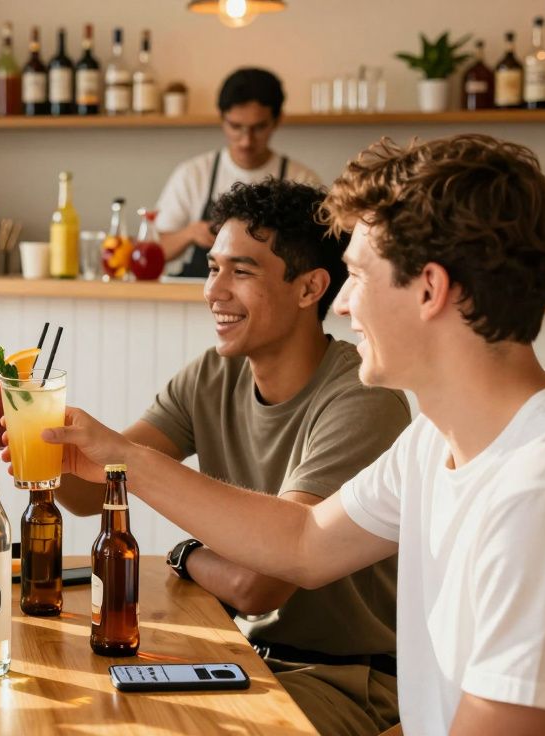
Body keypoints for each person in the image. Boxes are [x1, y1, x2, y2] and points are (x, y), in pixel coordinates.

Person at [42, 135, 545, 735]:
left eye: (357, 277)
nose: (346, 305)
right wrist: (118, 457)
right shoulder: (437, 439)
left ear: (430, 289)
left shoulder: (543, 491)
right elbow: (303, 543)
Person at [50, 179, 410, 735]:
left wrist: (185, 553)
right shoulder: (213, 375)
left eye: (240, 272)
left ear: (311, 287)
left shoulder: (361, 398)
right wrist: (38, 441)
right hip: (244, 653)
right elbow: (86, 492)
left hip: (345, 680)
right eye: (213, 267)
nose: (214, 290)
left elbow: (256, 583)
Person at [155, 67, 320, 278]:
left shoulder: (302, 180)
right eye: (235, 126)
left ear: (277, 121)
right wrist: (190, 233)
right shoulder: (193, 174)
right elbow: (154, 250)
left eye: (258, 128)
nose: (246, 140)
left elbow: (317, 256)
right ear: (222, 119)